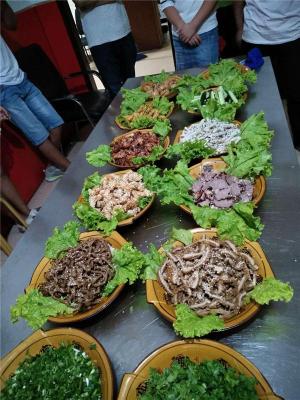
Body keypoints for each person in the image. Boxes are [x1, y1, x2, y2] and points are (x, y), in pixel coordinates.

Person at [0, 1, 70, 182]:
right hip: (4, 91)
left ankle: (54, 166)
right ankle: (71, 170)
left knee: (56, 124)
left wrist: (4, 4)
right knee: (39, 136)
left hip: (21, 79)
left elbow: (11, 24)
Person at [234, 0, 300, 150]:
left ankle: (297, 144)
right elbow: (238, 2)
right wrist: (240, 28)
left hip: (292, 36)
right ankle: (261, 146)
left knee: (296, 95)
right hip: (255, 38)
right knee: (258, 97)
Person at [73, 0, 137, 98]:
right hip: (98, 40)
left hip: (123, 31)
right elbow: (81, 3)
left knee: (131, 84)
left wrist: (91, 3)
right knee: (116, 92)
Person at [159, 0, 219, 70]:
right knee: (183, 77)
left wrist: (192, 27)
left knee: (209, 76)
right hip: (179, 35)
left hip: (205, 31)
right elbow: (166, 2)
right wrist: (182, 27)